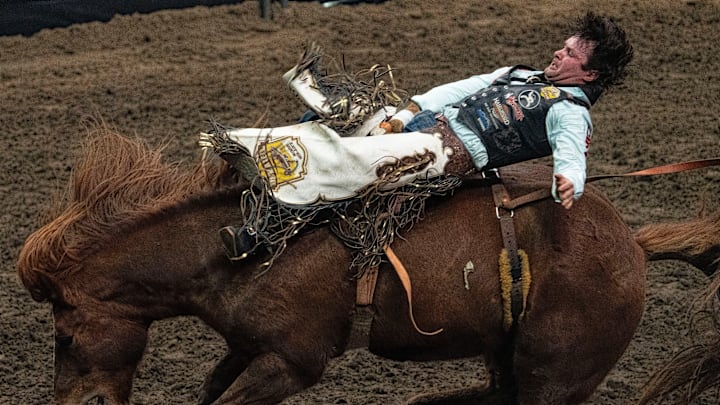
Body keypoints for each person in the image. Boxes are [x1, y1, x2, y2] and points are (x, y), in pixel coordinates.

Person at [214, 11, 633, 261]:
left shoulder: (570, 112)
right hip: (425, 124)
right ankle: (269, 158)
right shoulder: (522, 74)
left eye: (571, 54)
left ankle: (264, 232)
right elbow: (463, 87)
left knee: (358, 164)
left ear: (589, 73)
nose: (559, 53)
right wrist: (409, 110)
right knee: (343, 110)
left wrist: (569, 180)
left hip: (446, 153)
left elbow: (572, 155)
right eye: (564, 47)